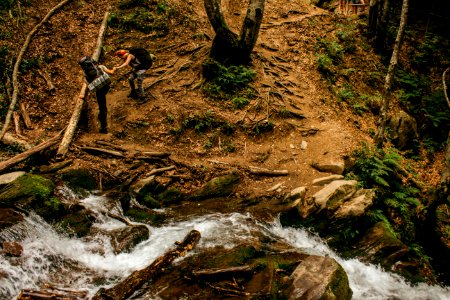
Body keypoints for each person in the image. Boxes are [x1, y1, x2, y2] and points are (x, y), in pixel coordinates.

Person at [78, 56, 114, 134]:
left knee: (102, 107)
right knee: (103, 97)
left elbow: (87, 87)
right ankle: (102, 117)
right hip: (106, 86)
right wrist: (114, 69)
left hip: (99, 91)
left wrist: (84, 96)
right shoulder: (100, 67)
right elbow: (111, 73)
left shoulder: (86, 75)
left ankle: (104, 127)